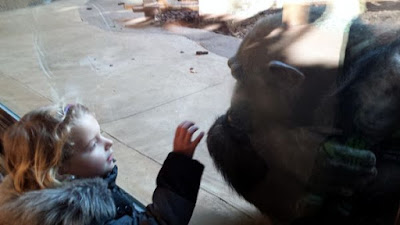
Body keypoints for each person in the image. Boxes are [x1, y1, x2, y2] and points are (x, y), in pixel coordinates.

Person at [0, 103, 205, 225]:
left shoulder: (29, 185)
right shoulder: (85, 217)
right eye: (93, 144)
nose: (109, 143)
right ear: (61, 171)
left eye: (101, 134)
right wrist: (181, 162)